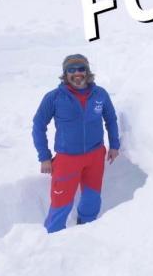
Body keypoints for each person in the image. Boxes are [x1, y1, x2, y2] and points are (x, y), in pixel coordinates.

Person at [32, 54, 120, 233]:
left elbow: (110, 119)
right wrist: (44, 157)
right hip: (67, 159)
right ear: (65, 74)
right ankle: (52, 236)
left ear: (87, 72)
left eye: (81, 69)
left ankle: (86, 230)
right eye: (71, 70)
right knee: (61, 202)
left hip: (95, 156)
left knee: (92, 199)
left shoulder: (100, 94)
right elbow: (38, 126)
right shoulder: (54, 97)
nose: (77, 73)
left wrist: (114, 145)